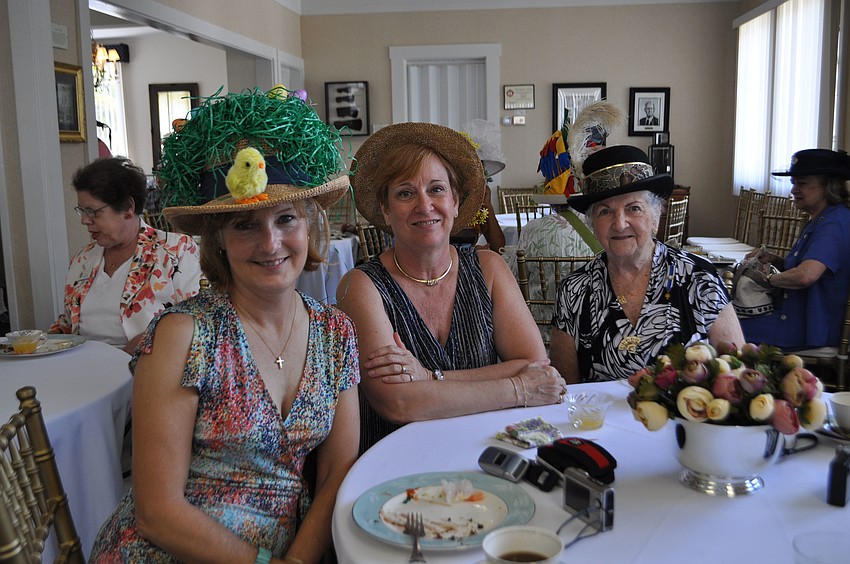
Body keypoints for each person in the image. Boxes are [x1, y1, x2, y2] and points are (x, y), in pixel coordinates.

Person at [90, 88, 359, 563]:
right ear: (218, 240)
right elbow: (157, 512)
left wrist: (297, 560)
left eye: (286, 218)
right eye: (244, 225)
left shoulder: (335, 332)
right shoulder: (184, 334)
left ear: (311, 225)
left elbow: (338, 470)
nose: (271, 242)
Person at [336, 122, 566, 453]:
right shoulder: (360, 286)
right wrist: (518, 388)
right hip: (396, 463)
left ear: (456, 202)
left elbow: (534, 364)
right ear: (386, 210)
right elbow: (398, 402)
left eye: (436, 189)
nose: (424, 205)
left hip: (488, 452)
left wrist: (429, 378)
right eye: (405, 193)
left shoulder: (489, 270)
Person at [549, 146, 744, 383]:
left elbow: (736, 375)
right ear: (592, 224)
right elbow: (567, 389)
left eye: (634, 208)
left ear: (655, 215)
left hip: (682, 418)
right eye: (605, 211)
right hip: (602, 419)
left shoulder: (699, 277)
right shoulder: (574, 290)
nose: (619, 224)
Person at [49, 157, 201, 353]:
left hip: (148, 368)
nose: (85, 221)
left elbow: (199, 321)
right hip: (83, 368)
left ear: (128, 208)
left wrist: (150, 339)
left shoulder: (174, 251)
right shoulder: (82, 260)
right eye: (82, 211)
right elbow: (67, 325)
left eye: (92, 211)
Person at [739, 149, 850, 351]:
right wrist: (773, 259)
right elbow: (807, 266)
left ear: (828, 185)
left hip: (807, 329)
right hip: (796, 320)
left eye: (802, 183)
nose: (793, 190)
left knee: (717, 326)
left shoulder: (834, 224)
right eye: (793, 183)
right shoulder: (822, 218)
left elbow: (806, 275)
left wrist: (766, 280)